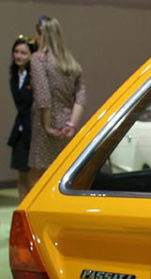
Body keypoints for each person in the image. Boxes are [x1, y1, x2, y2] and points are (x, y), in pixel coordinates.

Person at [28, 15, 85, 189]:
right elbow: (80, 97)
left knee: (37, 177)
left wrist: (47, 126)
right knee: (62, 176)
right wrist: (71, 124)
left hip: (46, 125)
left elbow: (43, 95)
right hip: (67, 126)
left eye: (37, 34)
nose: (35, 38)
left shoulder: (39, 59)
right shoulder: (71, 63)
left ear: (43, 35)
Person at [7, 35, 37, 198]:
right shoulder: (15, 76)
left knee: (33, 176)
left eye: (23, 53)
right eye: (16, 51)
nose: (18, 56)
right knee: (21, 175)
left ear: (32, 55)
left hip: (33, 130)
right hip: (20, 129)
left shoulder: (34, 76)